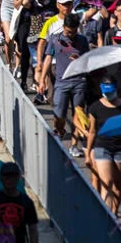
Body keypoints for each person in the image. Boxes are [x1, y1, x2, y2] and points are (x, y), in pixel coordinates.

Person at [42, 14, 90, 157]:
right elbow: (48, 58)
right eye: (69, 32)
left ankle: (74, 145)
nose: (72, 35)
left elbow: (88, 59)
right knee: (58, 115)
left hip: (79, 82)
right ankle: (60, 129)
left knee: (79, 114)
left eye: (74, 32)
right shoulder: (55, 39)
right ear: (64, 28)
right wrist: (42, 78)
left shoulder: (82, 40)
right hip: (61, 82)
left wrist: (80, 59)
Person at [84, 76, 121, 215]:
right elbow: (92, 131)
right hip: (102, 146)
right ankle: (108, 216)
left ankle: (114, 212)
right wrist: (88, 153)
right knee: (107, 183)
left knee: (117, 185)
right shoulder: (95, 107)